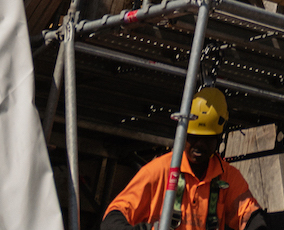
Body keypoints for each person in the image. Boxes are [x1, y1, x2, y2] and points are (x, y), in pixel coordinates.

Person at [102, 88, 266, 229]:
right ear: (183, 134)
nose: (199, 144)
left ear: (219, 138)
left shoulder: (228, 177)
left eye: (207, 138)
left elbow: (251, 217)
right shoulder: (160, 171)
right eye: (193, 137)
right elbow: (113, 220)